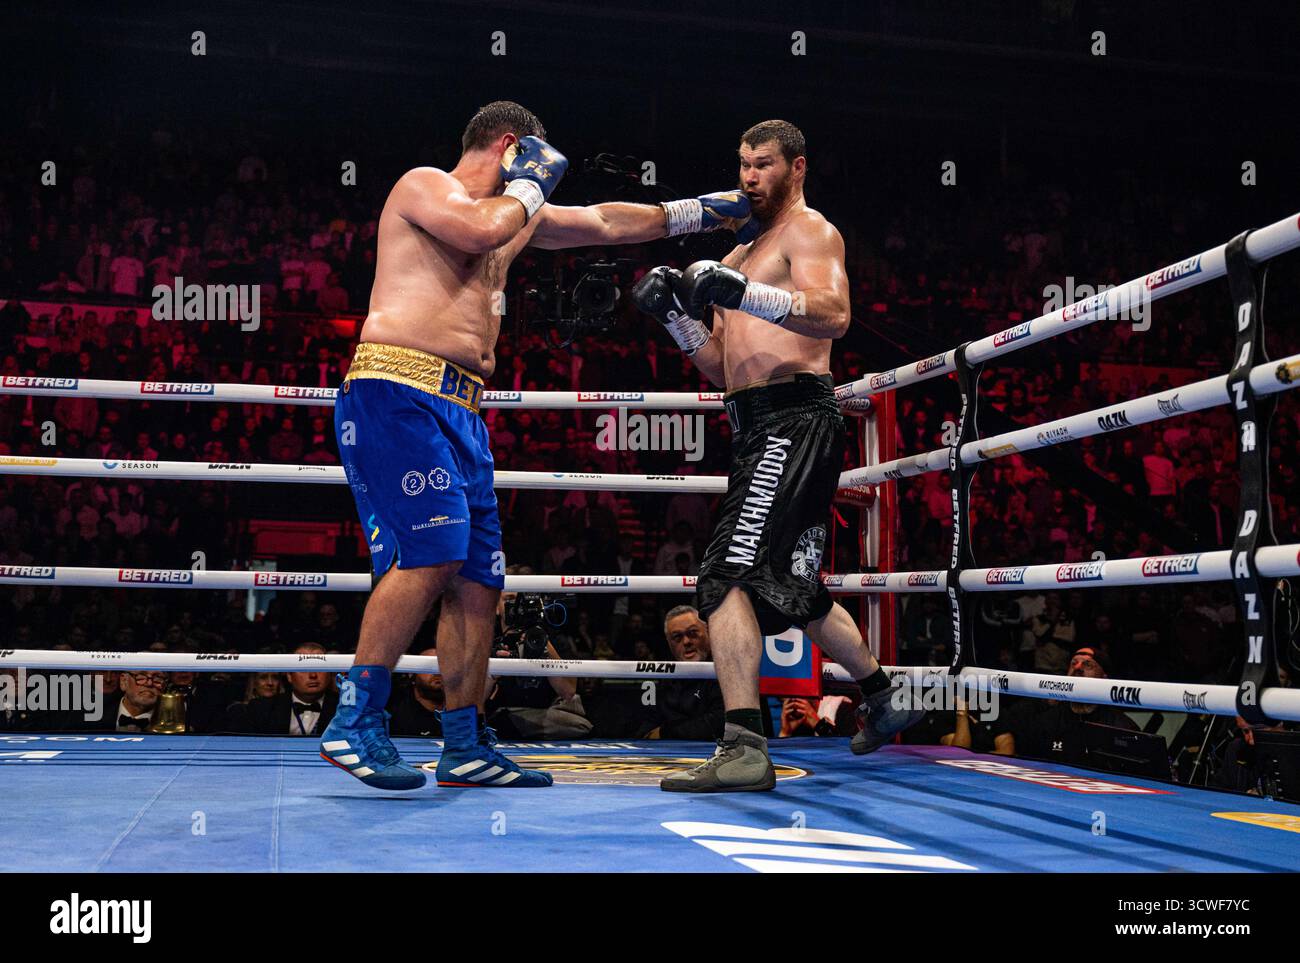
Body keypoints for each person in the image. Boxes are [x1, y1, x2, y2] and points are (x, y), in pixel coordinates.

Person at [322, 100, 752, 790]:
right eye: (533, 165)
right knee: (432, 551)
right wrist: (530, 181)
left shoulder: (515, 218)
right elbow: (478, 226)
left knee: (479, 583)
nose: (540, 185)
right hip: (395, 390)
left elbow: (607, 220)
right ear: (514, 146)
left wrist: (707, 211)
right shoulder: (426, 186)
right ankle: (355, 716)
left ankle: (462, 743)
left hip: (461, 408)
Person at [633, 119, 922, 792]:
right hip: (756, 424)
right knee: (792, 586)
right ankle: (883, 697)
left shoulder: (809, 232)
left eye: (763, 164)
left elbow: (833, 314)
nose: (748, 177)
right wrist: (674, 317)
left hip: (795, 416)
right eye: (742, 164)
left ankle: (743, 743)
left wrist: (745, 294)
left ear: (796, 167)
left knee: (725, 574)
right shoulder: (735, 257)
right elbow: (722, 364)